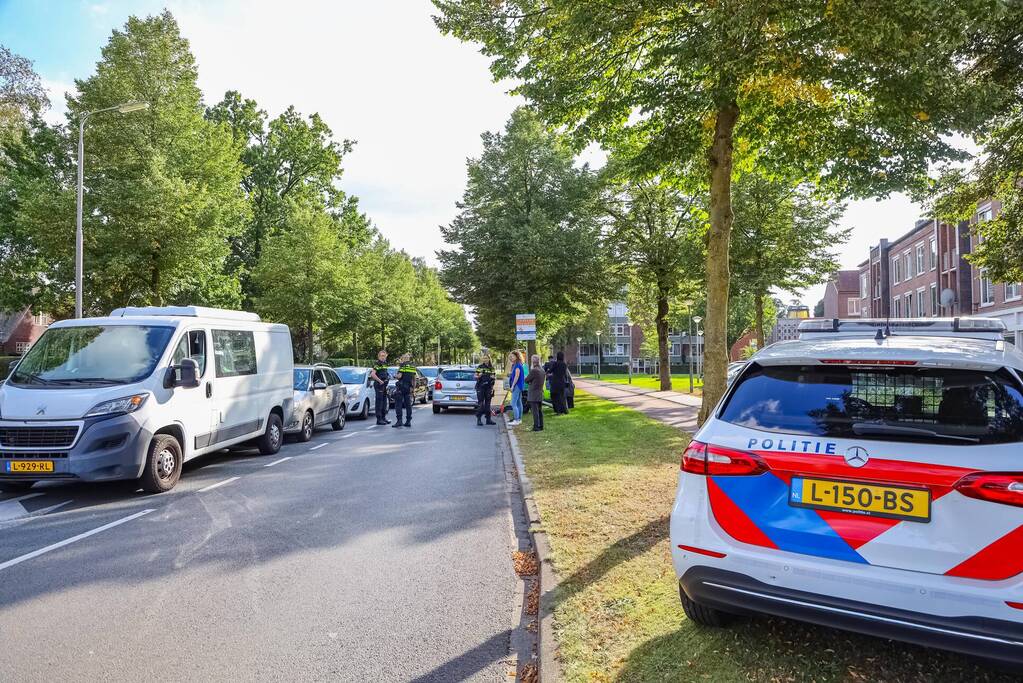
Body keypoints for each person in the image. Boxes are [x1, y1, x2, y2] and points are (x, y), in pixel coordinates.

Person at [392, 353, 416, 428]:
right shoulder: (413, 366)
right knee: (408, 405)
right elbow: (414, 379)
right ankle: (408, 421)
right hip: (408, 388)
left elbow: (400, 376)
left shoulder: (402, 365)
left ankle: (399, 421)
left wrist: (394, 375)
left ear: (403, 358)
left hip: (401, 387)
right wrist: (413, 388)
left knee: (398, 404)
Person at [369, 349, 391, 425]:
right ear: (379, 356)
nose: (383, 357)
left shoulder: (385, 363)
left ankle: (383, 418)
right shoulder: (377, 364)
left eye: (384, 356)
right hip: (379, 385)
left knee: (384, 402)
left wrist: (387, 378)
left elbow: (385, 373)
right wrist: (380, 381)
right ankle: (379, 419)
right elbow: (372, 374)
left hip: (384, 385)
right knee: (379, 402)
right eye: (381, 356)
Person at [475, 353, 497, 426]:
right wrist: (479, 375)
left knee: (488, 404)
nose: (485, 359)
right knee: (481, 404)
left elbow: (494, 378)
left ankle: (488, 419)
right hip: (480, 387)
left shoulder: (492, 368)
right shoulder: (480, 367)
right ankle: (479, 420)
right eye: (484, 358)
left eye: (486, 358)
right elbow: (475, 376)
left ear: (489, 359)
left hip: (488, 388)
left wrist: (493, 378)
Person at [525, 354, 546, 431]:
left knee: (535, 411)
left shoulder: (534, 370)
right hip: (540, 392)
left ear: (533, 362)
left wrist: (530, 381)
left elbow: (526, 380)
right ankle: (541, 426)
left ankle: (536, 426)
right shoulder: (542, 370)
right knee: (540, 411)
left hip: (533, 393)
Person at [507, 351, 525, 426]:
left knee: (513, 403)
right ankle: (519, 419)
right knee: (518, 402)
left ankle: (516, 419)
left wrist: (512, 386)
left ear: (517, 356)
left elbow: (517, 376)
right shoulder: (517, 364)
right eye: (510, 357)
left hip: (517, 385)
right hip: (520, 385)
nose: (511, 358)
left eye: (512, 356)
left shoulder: (517, 365)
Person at [549, 350, 570, 414]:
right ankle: (564, 410)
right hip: (562, 382)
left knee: (555, 397)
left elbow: (551, 370)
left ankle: (558, 411)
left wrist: (548, 372)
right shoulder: (564, 364)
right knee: (562, 397)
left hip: (555, 382)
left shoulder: (555, 363)